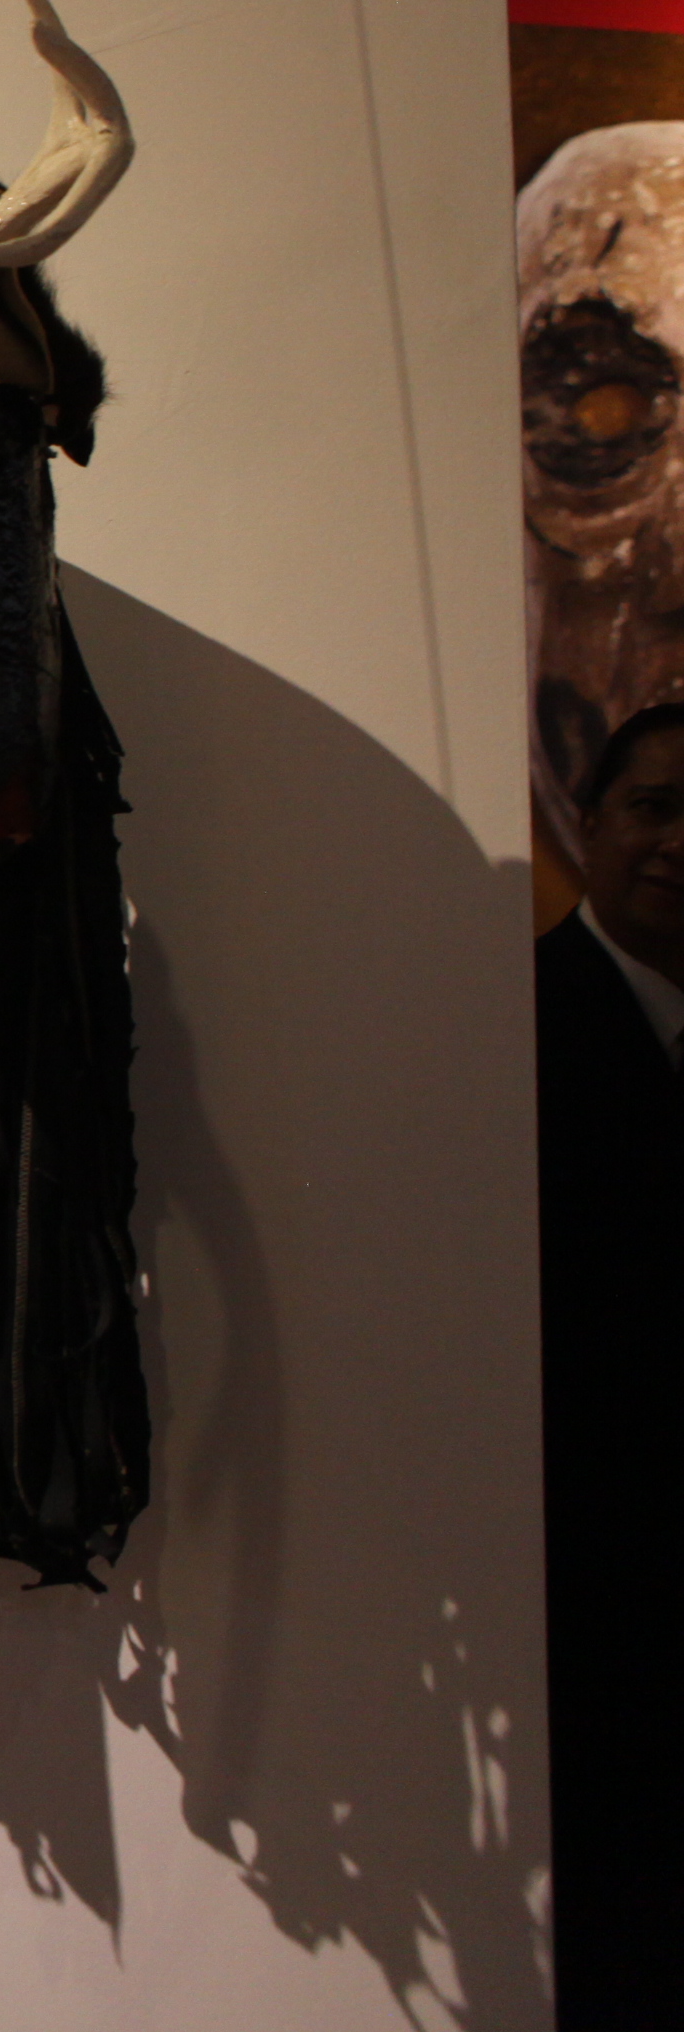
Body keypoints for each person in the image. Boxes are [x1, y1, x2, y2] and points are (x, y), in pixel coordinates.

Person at [535, 702, 684, 2025]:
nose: (678, 843)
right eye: (654, 808)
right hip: (578, 1576)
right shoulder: (511, 1021)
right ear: (587, 821)